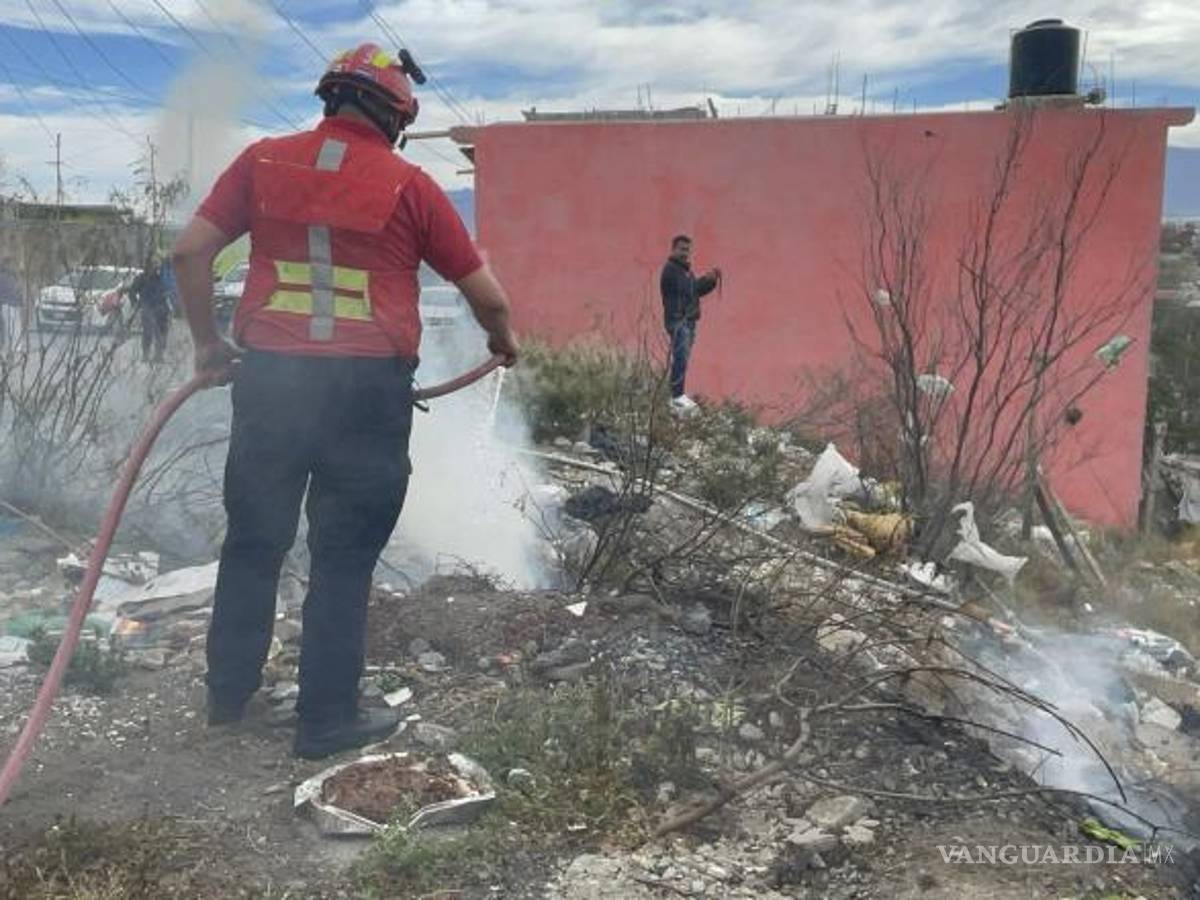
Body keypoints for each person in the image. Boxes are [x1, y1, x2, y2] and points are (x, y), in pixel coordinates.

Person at [171, 41, 520, 760]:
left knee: (254, 541)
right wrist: (503, 340)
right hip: (365, 395)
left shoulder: (262, 161)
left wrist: (207, 344)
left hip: (271, 384)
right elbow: (485, 296)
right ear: (396, 116)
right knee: (343, 558)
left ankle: (227, 699)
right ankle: (325, 721)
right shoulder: (410, 184)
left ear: (330, 97)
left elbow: (189, 252)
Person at [660, 234, 720, 411]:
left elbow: (694, 291)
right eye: (682, 249)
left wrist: (709, 282)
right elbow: (688, 290)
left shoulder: (686, 271)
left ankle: (676, 395)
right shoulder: (671, 269)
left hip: (689, 321)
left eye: (687, 249)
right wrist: (702, 280)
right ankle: (676, 395)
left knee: (683, 358)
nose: (685, 253)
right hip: (678, 321)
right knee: (680, 358)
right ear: (673, 249)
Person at [128, 254, 170, 362]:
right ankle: (145, 355)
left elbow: (168, 292)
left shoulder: (162, 278)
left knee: (162, 332)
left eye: (158, 263)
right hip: (148, 308)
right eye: (154, 263)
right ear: (149, 265)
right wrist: (136, 303)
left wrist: (169, 307)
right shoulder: (142, 277)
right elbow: (132, 291)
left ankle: (158, 355)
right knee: (148, 332)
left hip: (162, 309)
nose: (156, 266)